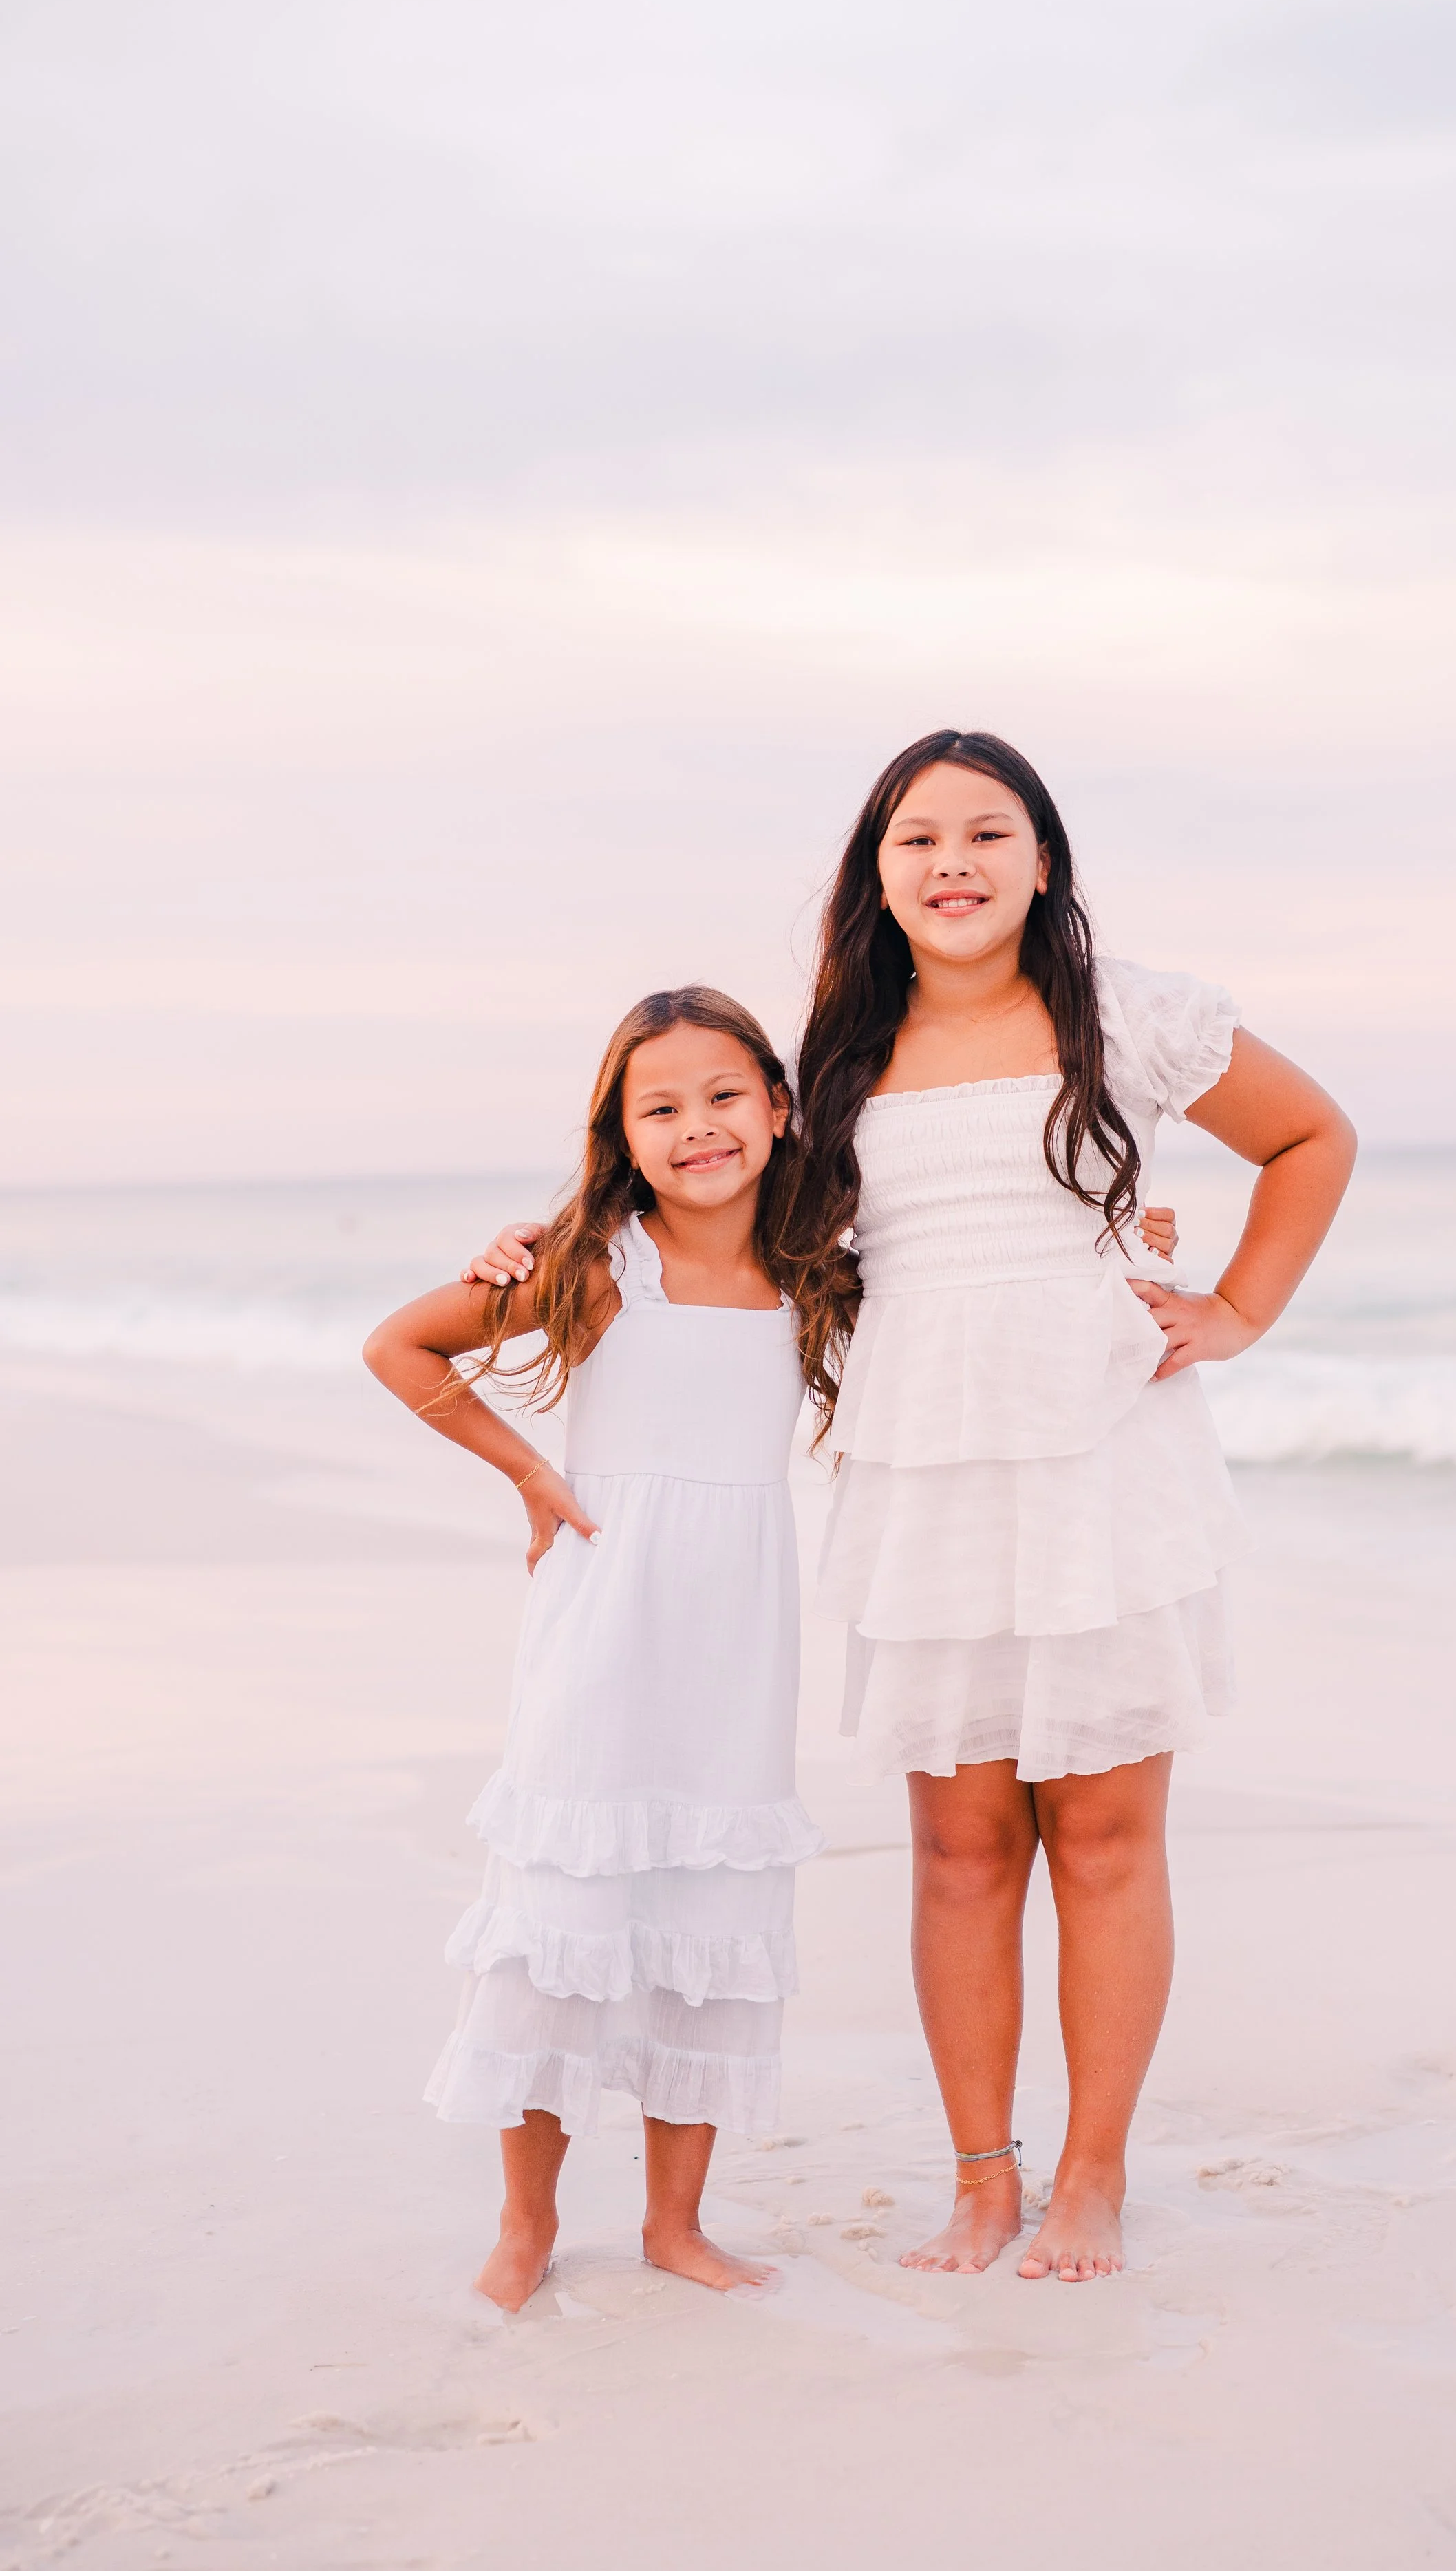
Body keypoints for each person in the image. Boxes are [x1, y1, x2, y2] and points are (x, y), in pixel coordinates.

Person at [462, 729, 1355, 2285]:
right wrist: (536, 1252)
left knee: (1103, 1837)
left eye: (986, 833)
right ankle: (982, 2183)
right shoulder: (836, 1055)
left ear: (1041, 859)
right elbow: (714, 1194)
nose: (952, 864)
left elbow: (1310, 1136)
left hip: (1101, 1465)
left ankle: (1090, 2180)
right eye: (916, 839)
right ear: (874, 875)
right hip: (923, 1472)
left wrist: (1234, 1308)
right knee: (958, 1850)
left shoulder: (1131, 1017)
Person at [363, 988, 824, 2309]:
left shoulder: (817, 1266)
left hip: (738, 1640)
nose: (698, 1127)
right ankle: (526, 2224)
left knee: (708, 1923)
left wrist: (1140, 1235)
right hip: (603, 1623)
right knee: (559, 1928)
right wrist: (527, 1471)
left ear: (778, 1107)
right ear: (623, 1135)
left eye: (724, 1096)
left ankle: (676, 2224)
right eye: (660, 1108)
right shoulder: (597, 1264)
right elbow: (401, 1345)